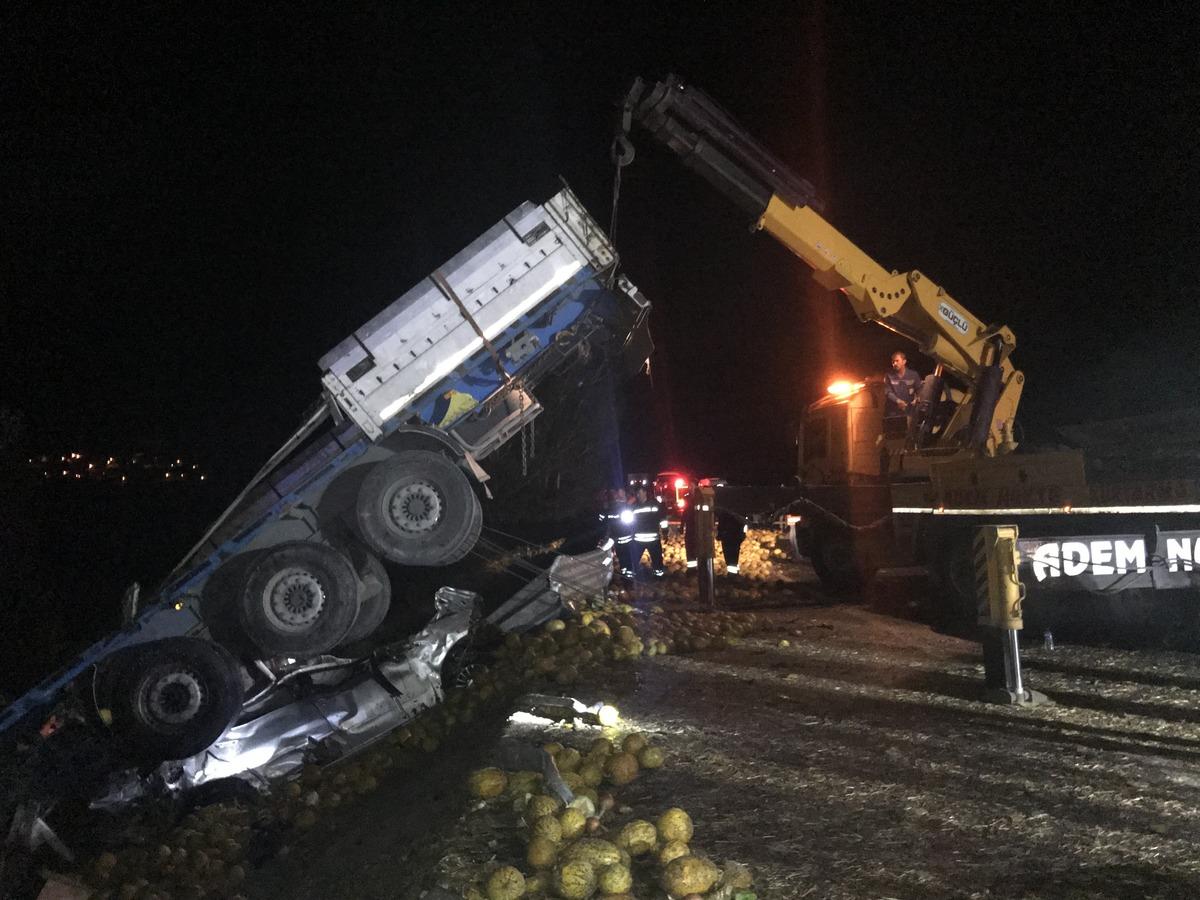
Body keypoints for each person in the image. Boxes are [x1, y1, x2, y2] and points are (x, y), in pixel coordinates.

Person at [630, 484, 666, 578]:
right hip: (638, 540)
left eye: (639, 493)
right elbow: (629, 523)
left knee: (657, 559)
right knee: (633, 559)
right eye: (636, 493)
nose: (638, 495)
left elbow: (662, 519)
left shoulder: (654, 504)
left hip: (653, 539)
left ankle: (659, 576)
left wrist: (665, 532)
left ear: (645, 492)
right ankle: (633, 577)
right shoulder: (633, 507)